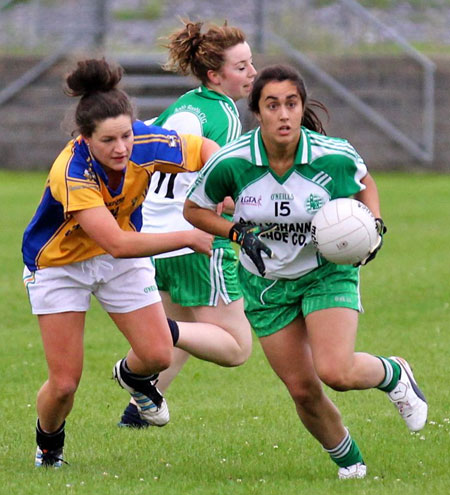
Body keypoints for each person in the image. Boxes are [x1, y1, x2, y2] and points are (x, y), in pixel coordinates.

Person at [183, 64, 428, 479]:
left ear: (301, 108)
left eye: (291, 104)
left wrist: (375, 225)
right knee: (302, 389)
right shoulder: (233, 161)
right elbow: (193, 209)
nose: (283, 114)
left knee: (336, 371)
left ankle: (393, 372)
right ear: (257, 112)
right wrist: (237, 233)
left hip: (324, 271)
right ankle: (351, 466)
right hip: (264, 284)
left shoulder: (331, 155)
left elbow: (364, 180)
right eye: (272, 105)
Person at [22, 58, 254, 468]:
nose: (122, 148)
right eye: (109, 140)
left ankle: (132, 377)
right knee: (63, 384)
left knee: (158, 353)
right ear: (85, 139)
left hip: (118, 262)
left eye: (127, 135)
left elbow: (203, 149)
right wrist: (187, 235)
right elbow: (115, 242)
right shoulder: (72, 171)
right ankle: (48, 448)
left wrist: (223, 182)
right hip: (60, 265)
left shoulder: (144, 141)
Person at [119, 19, 257, 428]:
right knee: (235, 347)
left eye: (251, 63)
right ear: (216, 75)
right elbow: (223, 187)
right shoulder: (225, 115)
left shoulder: (182, 105)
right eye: (242, 67)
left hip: (153, 240)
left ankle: (137, 414)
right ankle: (133, 363)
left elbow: (143, 153)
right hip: (196, 241)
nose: (252, 73)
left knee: (179, 331)